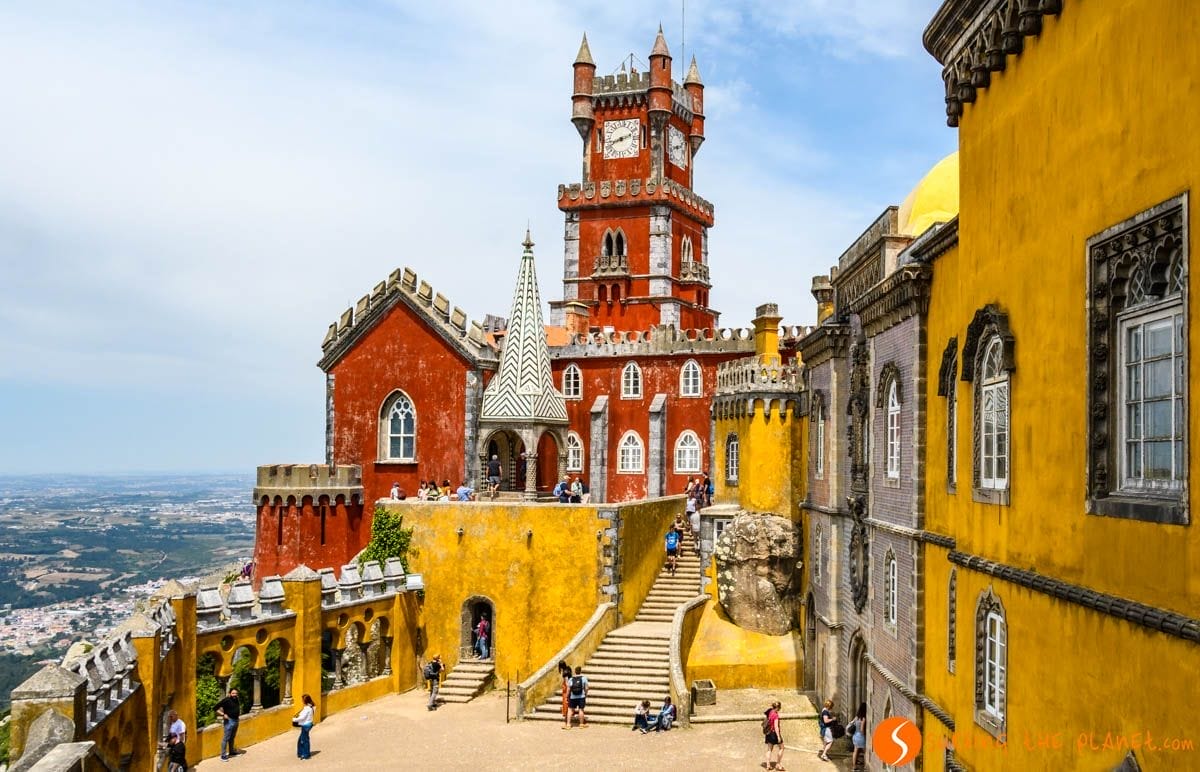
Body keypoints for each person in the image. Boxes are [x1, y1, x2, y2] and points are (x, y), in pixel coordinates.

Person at [215, 688, 241, 760]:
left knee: (232, 737)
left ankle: (231, 751)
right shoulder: (226, 700)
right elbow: (215, 708)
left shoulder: (236, 699)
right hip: (229, 721)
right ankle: (223, 755)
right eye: (233, 693)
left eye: (236, 693)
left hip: (236, 720)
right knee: (226, 738)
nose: (235, 695)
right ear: (229, 693)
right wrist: (223, 714)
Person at [764, 700, 785, 771]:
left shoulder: (770, 711)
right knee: (782, 748)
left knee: (769, 749)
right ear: (778, 708)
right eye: (779, 708)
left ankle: (768, 765)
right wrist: (778, 736)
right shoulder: (775, 715)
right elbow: (776, 727)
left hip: (769, 733)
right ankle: (778, 764)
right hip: (774, 733)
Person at [294, 693, 315, 760]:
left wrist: (294, 719)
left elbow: (302, 718)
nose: (302, 701)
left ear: (305, 701)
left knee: (303, 740)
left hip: (306, 725)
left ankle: (305, 755)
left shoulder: (307, 708)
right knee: (303, 739)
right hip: (309, 724)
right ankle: (302, 753)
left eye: (302, 700)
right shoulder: (312, 706)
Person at [849, 702, 867, 769]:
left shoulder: (857, 717)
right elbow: (862, 729)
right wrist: (865, 734)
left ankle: (854, 766)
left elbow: (851, 723)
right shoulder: (863, 718)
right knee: (865, 752)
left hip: (855, 735)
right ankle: (865, 766)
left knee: (855, 751)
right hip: (860, 737)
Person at [558, 660, 573, 725]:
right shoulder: (568, 668)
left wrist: (567, 692)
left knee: (566, 702)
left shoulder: (565, 672)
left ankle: (566, 718)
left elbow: (567, 683)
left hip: (566, 688)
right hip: (570, 685)